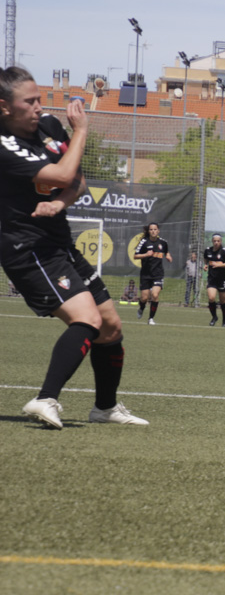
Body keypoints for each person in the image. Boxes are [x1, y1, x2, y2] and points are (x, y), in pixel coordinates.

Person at [0, 67, 146, 428]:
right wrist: (82, 130)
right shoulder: (3, 144)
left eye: (39, 99)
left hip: (58, 241)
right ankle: (45, 399)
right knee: (88, 319)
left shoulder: (48, 127)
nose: (39, 107)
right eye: (29, 102)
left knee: (110, 326)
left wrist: (59, 204)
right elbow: (62, 176)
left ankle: (105, 408)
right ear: (4, 107)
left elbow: (77, 182)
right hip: (26, 247)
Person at [133, 222, 172, 325]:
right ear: (148, 231)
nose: (153, 231)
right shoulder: (144, 242)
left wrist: (168, 256)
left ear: (158, 231)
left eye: (155, 229)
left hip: (158, 274)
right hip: (145, 274)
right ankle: (141, 308)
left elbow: (166, 251)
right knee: (144, 298)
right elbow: (135, 256)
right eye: (151, 229)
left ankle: (151, 318)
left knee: (155, 295)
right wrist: (146, 254)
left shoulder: (163, 242)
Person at [203, 233, 225, 327]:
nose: (216, 242)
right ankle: (214, 317)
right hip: (212, 279)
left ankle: (224, 320)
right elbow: (205, 259)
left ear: (221, 241)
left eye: (218, 241)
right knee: (211, 298)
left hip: (222, 279)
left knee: (222, 299)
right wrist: (206, 265)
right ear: (212, 241)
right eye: (214, 241)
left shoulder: (224, 251)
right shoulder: (208, 250)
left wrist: (220, 265)